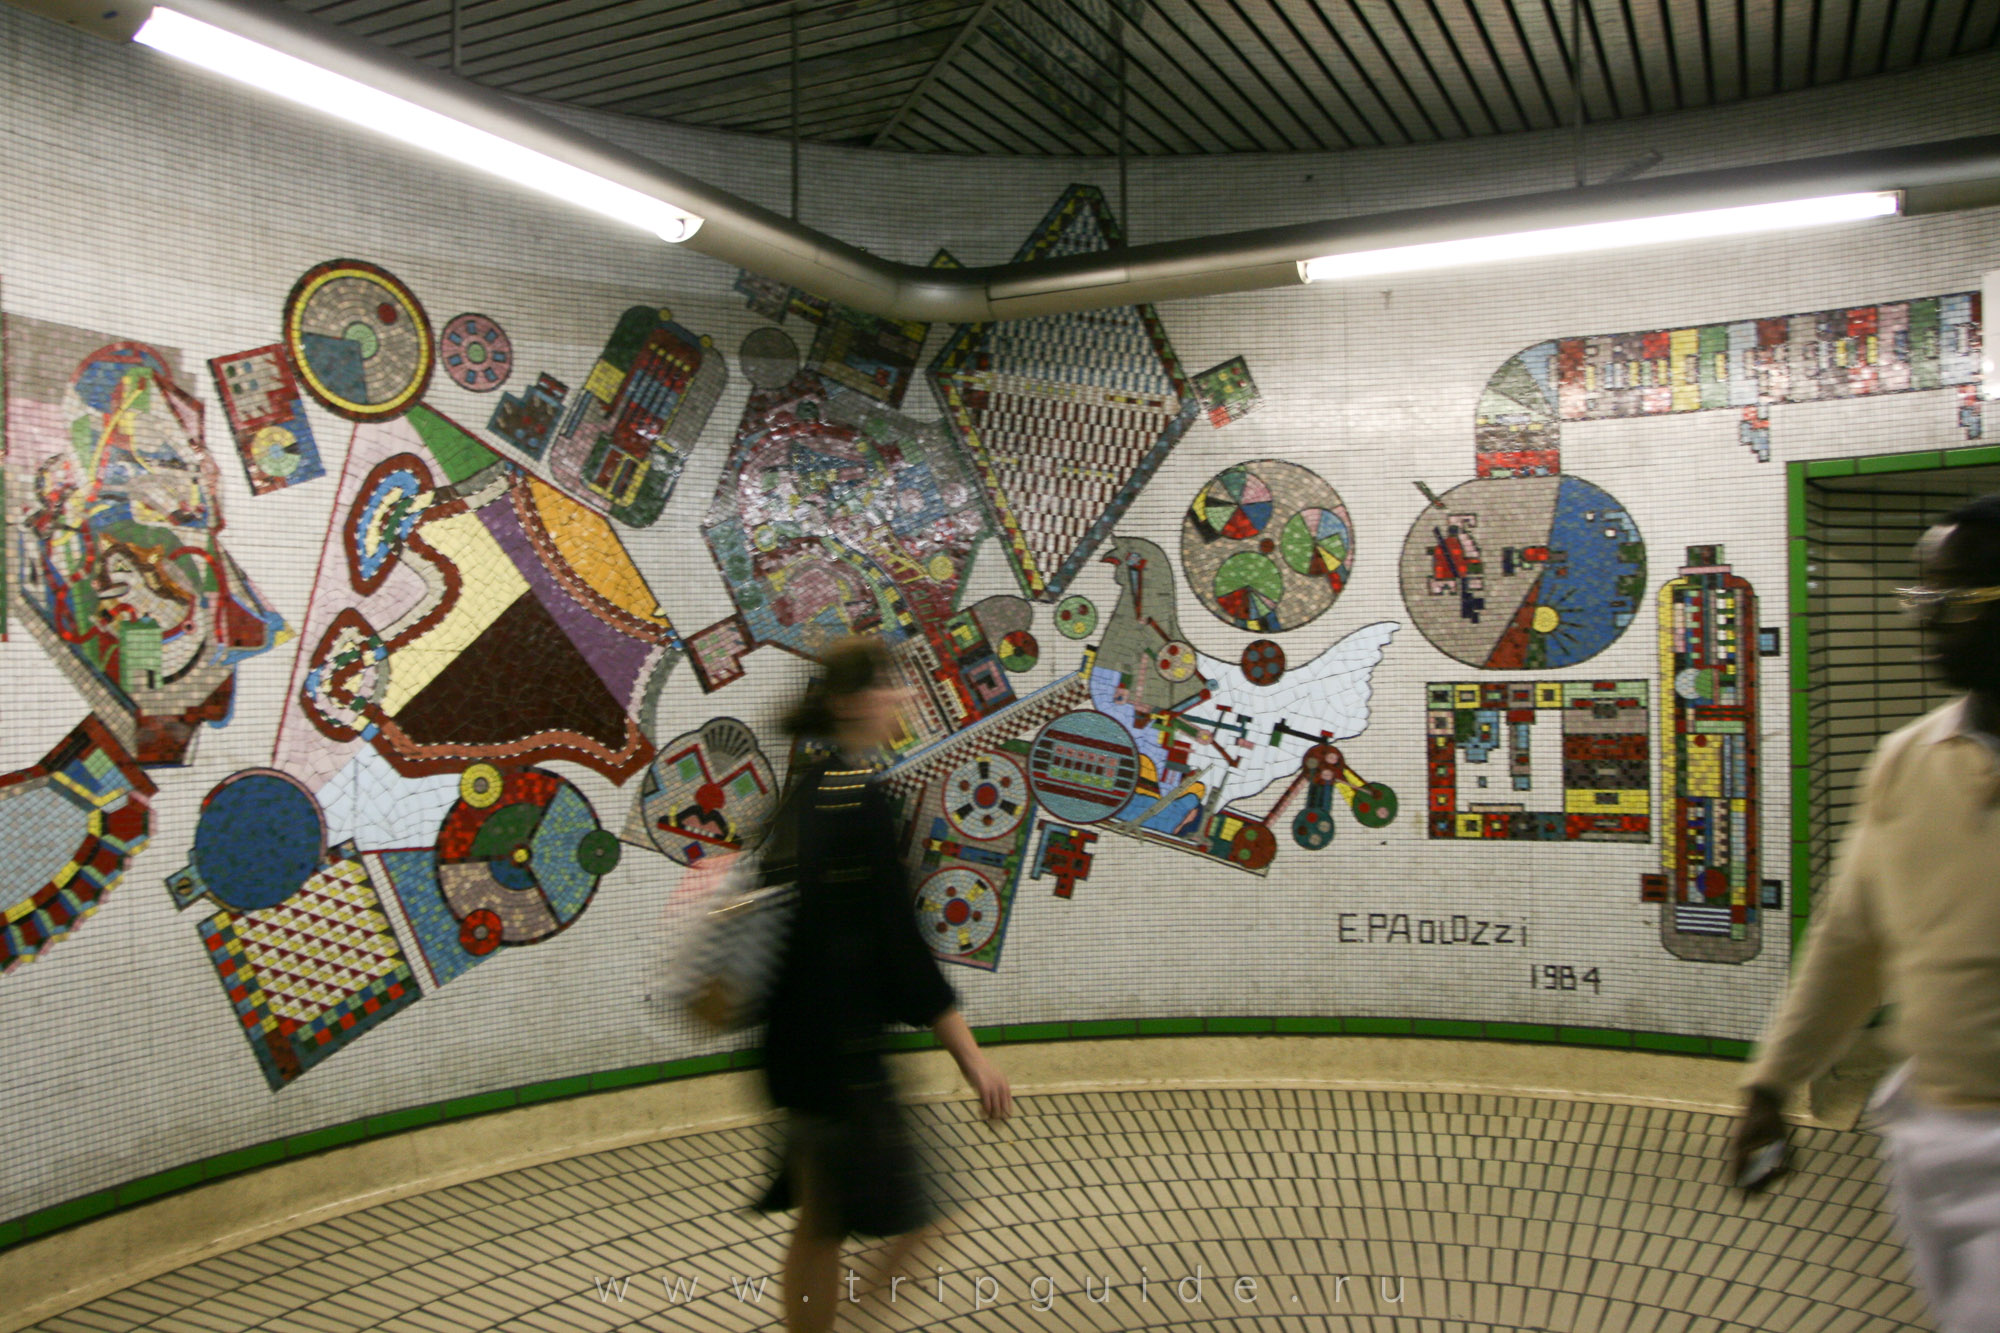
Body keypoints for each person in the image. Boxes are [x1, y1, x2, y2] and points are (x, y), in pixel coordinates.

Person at [1731, 494, 2000, 1333]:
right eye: (1920, 600)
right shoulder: (1905, 764)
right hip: (1936, 1138)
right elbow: (1850, 941)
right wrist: (1772, 1082)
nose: (1926, 624)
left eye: (1948, 601)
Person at [759, 636, 1012, 1333]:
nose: (903, 697)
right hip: (843, 1056)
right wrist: (971, 1055)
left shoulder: (806, 793)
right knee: (921, 1216)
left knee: (820, 1222)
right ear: (848, 703)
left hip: (793, 1047)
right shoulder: (860, 801)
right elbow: (902, 948)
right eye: (888, 686)